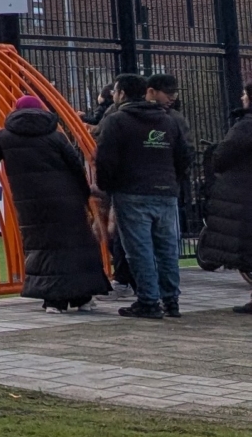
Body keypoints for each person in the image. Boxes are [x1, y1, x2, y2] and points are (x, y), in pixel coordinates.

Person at [0, 94, 109, 311]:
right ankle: (83, 297)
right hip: (66, 197)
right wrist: (82, 194)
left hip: (33, 204)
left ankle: (55, 300)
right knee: (75, 245)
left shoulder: (5, 136)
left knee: (45, 247)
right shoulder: (55, 135)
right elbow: (76, 166)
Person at [94, 72, 189, 319]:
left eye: (114, 91)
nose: (112, 96)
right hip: (165, 191)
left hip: (131, 192)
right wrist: (171, 182)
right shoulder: (168, 121)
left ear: (122, 94)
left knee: (139, 249)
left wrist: (108, 186)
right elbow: (183, 158)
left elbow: (105, 159)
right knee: (167, 248)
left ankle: (148, 300)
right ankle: (171, 300)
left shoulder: (116, 121)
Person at [198, 83, 252, 314]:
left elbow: (222, 156)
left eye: (245, 94)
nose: (241, 97)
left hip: (244, 192)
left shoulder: (245, 127)